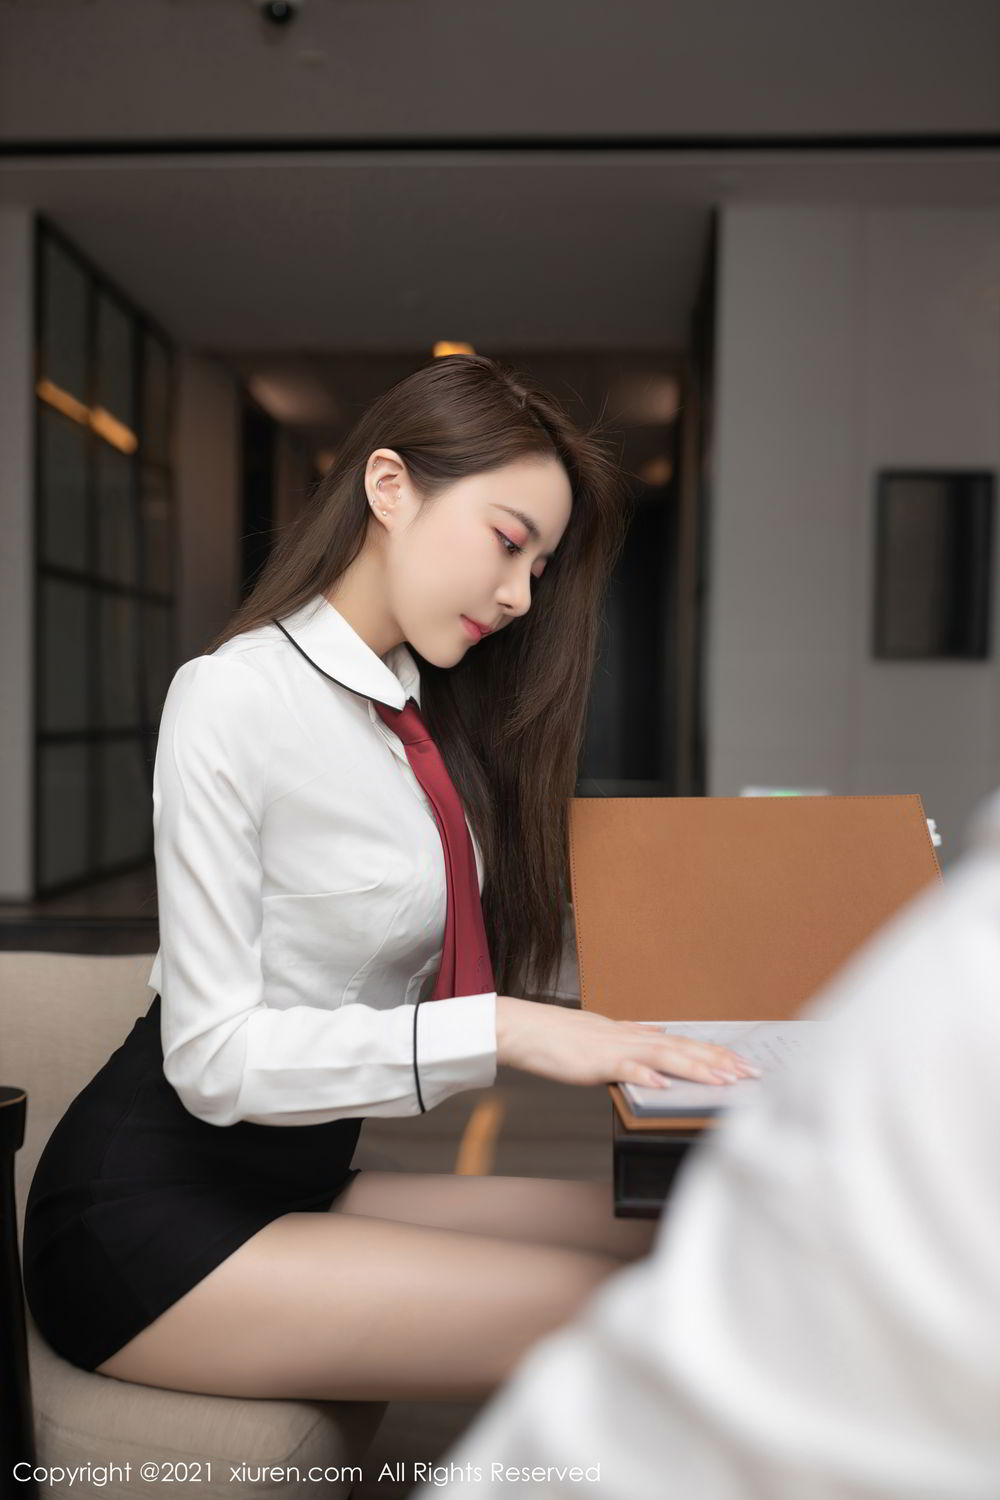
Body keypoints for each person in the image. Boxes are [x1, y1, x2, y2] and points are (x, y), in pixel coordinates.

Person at [22, 354, 756, 1402]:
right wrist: (504, 1027)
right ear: (389, 487)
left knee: (696, 1241)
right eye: (508, 543)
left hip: (304, 1182)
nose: (515, 596)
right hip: (150, 1216)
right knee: (651, 1335)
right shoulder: (234, 697)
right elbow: (212, 1058)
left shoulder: (427, 725)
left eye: (538, 570)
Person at [418, 788, 1000, 1499]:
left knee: (688, 1258)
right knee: (733, 1303)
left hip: (304, 1163)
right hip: (265, 1177)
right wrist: (496, 1027)